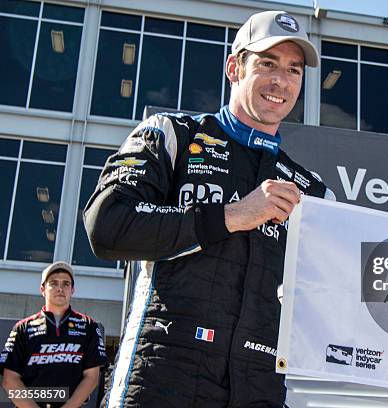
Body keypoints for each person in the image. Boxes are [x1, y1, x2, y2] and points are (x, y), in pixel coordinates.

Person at [83, 10, 333, 408]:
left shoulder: (312, 192)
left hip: (259, 388)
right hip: (162, 376)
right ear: (235, 68)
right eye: (267, 63)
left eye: (294, 70)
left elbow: (337, 298)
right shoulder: (171, 135)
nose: (280, 81)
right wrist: (232, 216)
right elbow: (107, 224)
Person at [0, 261, 108, 408]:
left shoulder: (89, 326)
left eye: (66, 284)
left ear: (72, 290)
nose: (60, 288)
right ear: (42, 289)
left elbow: (92, 377)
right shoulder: (22, 328)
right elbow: (9, 380)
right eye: (53, 283)